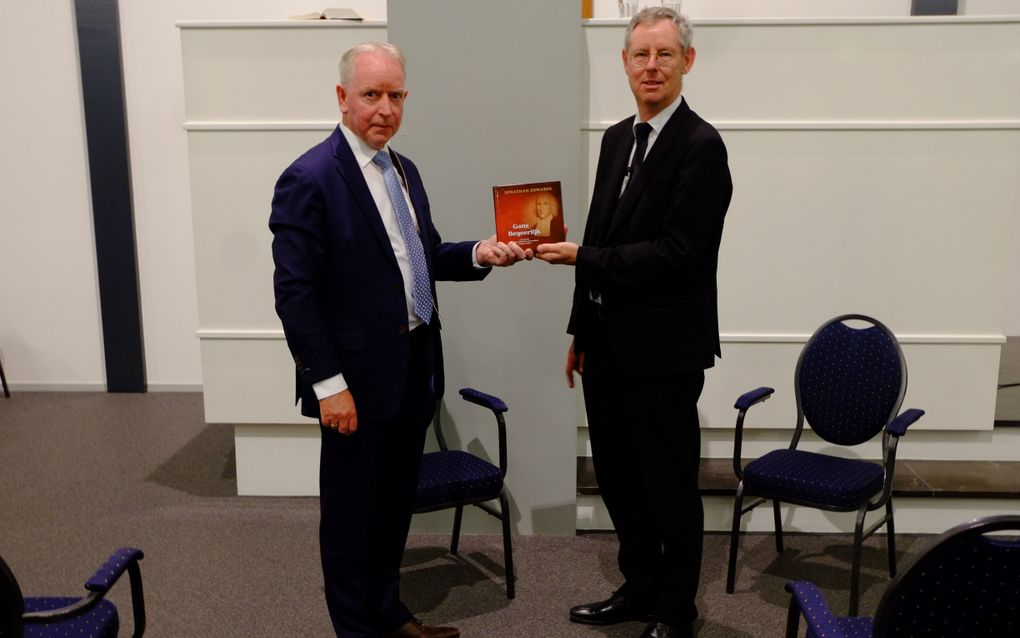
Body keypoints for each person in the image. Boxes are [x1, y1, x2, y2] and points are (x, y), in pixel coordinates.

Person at [269, 42, 527, 638]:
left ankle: (389, 613)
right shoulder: (308, 178)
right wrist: (328, 385)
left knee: (390, 509)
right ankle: (357, 630)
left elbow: (421, 258)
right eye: (371, 95)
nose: (385, 108)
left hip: (412, 370)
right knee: (350, 517)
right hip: (351, 386)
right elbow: (296, 296)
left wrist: (478, 253)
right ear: (342, 97)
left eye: (396, 95)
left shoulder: (403, 169)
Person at [537, 8, 732, 638]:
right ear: (623, 63)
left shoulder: (702, 147)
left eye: (664, 55)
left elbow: (681, 255)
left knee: (668, 486)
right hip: (608, 346)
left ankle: (677, 610)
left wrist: (584, 258)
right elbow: (599, 232)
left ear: (687, 63)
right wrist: (579, 329)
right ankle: (641, 588)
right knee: (620, 479)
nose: (651, 66)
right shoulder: (619, 137)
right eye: (640, 55)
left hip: (665, 352)